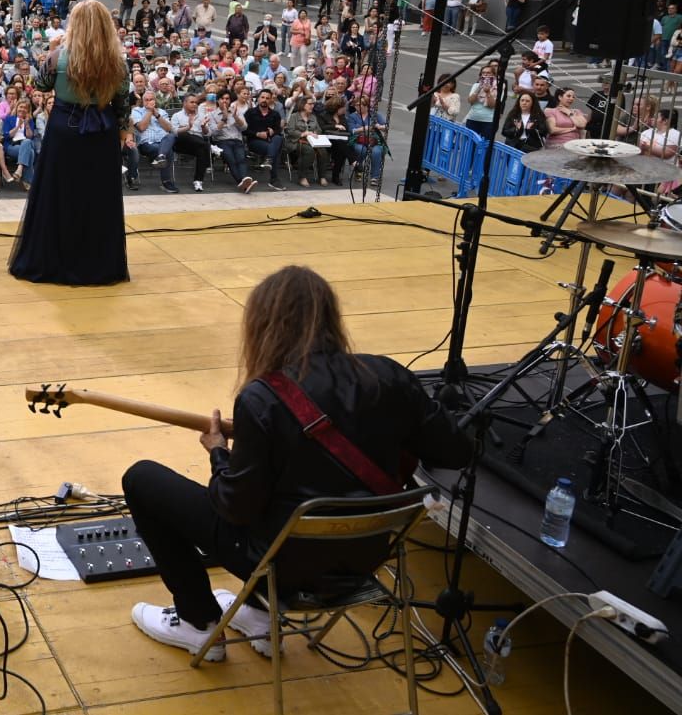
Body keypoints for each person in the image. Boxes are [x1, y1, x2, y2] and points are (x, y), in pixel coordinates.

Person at [121, 265, 470, 661]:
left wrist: (219, 452)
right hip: (365, 555)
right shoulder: (388, 376)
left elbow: (235, 506)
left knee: (142, 479)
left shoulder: (263, 397)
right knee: (294, 502)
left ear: (263, 325)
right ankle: (256, 612)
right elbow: (456, 451)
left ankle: (197, 623)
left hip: (281, 565)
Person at [9, 0, 129, 286]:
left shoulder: (58, 58)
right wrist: (124, 133)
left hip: (65, 131)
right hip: (102, 132)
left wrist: (51, 52)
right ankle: (97, 263)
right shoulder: (118, 63)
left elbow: (38, 86)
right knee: (98, 198)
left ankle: (53, 257)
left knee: (58, 194)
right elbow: (124, 104)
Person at [243, 90, 286, 191]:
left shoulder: (275, 114)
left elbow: (278, 130)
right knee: (274, 149)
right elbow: (244, 130)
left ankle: (269, 160)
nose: (264, 100)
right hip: (255, 142)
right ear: (258, 99)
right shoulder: (250, 113)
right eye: (262, 97)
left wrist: (273, 132)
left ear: (271, 100)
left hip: (271, 140)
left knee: (278, 138)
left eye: (267, 98)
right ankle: (274, 179)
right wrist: (257, 134)